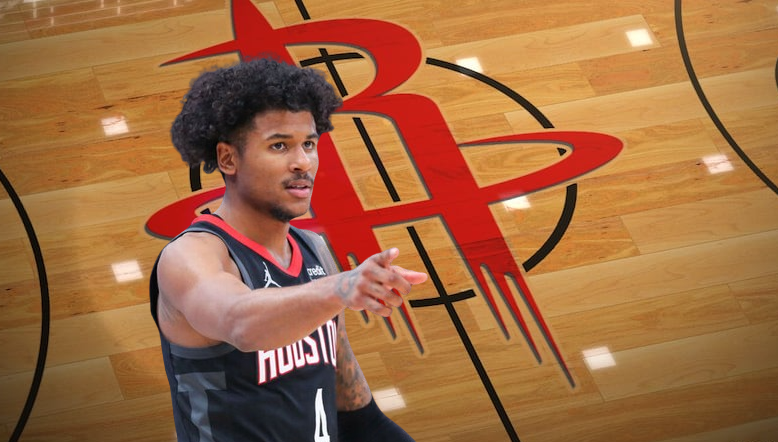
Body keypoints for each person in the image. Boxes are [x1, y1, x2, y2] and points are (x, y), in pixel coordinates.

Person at [149, 57, 427, 441]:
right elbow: (239, 322)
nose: (302, 162)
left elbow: (355, 412)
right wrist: (340, 288)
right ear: (228, 158)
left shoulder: (314, 250)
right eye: (279, 145)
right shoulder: (192, 255)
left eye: (309, 144)